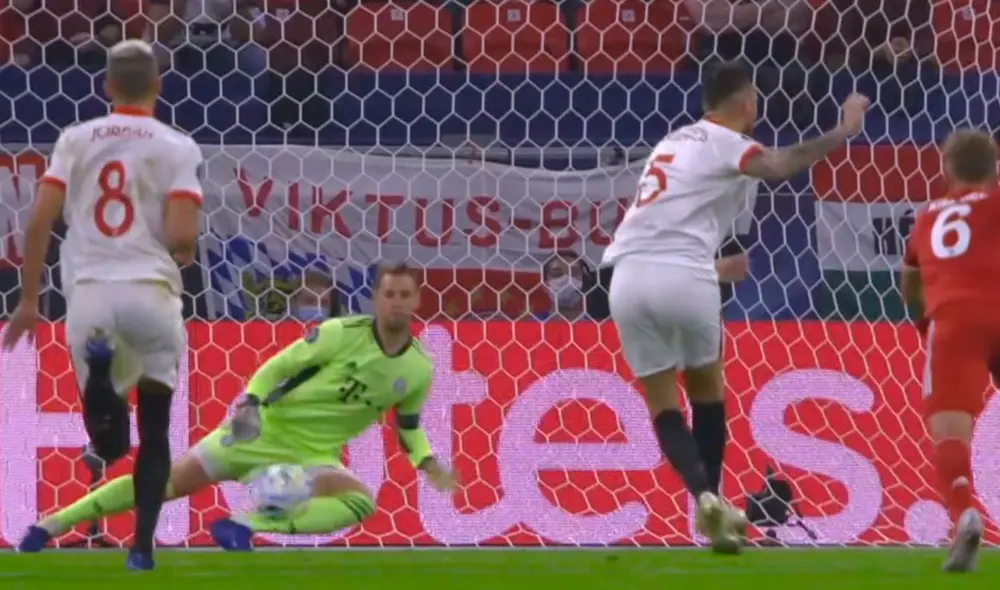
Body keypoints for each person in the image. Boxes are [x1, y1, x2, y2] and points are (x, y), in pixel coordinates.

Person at [601, 60, 869, 553]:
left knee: (663, 405)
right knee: (706, 392)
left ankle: (706, 499)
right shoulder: (724, 141)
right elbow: (780, 167)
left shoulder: (670, 143)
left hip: (627, 279)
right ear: (746, 102)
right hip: (684, 275)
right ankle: (715, 504)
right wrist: (843, 131)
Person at [17, 262, 458, 553]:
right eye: (389, 293)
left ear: (416, 301)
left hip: (312, 455)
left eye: (405, 294)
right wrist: (250, 401)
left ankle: (244, 525)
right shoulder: (341, 333)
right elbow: (277, 367)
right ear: (377, 298)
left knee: (359, 502)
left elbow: (408, 424)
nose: (397, 301)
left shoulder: (418, 369)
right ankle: (51, 524)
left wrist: (427, 461)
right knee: (164, 484)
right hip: (261, 430)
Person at [3, 40, 202, 571]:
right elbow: (183, 236)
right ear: (159, 84)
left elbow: (39, 222)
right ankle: (141, 548)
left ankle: (100, 375)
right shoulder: (178, 147)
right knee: (155, 430)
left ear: (108, 85)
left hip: (90, 294)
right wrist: (179, 248)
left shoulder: (75, 139)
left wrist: (28, 301)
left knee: (109, 443)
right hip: (152, 296)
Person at [900, 129, 1000, 573]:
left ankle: (964, 516)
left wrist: (926, 312)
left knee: (950, 430)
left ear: (946, 168)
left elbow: (909, 282)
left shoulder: (927, 217)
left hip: (953, 322)